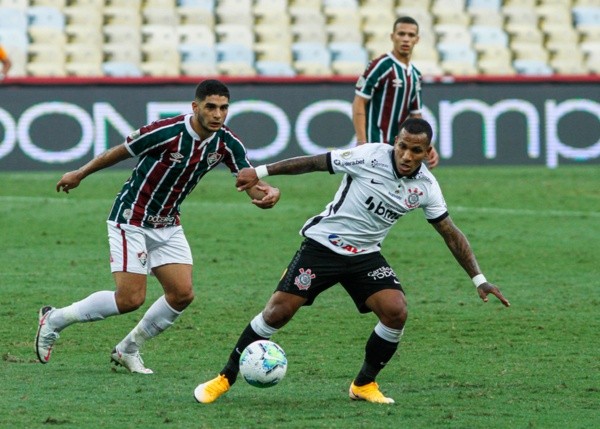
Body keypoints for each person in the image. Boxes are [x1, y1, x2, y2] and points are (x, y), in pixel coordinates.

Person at [193, 118, 509, 404]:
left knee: (396, 311)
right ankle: (224, 378)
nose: (406, 155)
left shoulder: (426, 187)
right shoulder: (369, 156)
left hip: (365, 256)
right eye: (402, 146)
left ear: (427, 153)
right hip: (322, 246)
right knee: (277, 313)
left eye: (416, 150)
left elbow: (450, 232)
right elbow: (315, 162)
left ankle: (364, 384)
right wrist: (261, 172)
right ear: (395, 142)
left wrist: (479, 279)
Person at [35, 79, 281, 374]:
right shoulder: (166, 131)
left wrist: (266, 193)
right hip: (131, 218)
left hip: (168, 223)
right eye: (210, 107)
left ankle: (128, 349)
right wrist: (80, 173)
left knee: (181, 294)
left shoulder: (227, 142)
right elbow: (121, 151)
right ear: (195, 106)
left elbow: (247, 180)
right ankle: (54, 319)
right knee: (130, 299)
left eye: (223, 108)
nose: (217, 114)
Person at [352, 16, 440, 168]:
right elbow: (359, 101)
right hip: (373, 144)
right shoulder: (380, 66)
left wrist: (428, 145)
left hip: (397, 148)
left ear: (417, 39)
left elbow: (416, 115)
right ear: (392, 37)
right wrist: (361, 141)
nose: (406, 39)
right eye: (401, 34)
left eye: (411, 35)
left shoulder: (415, 75)